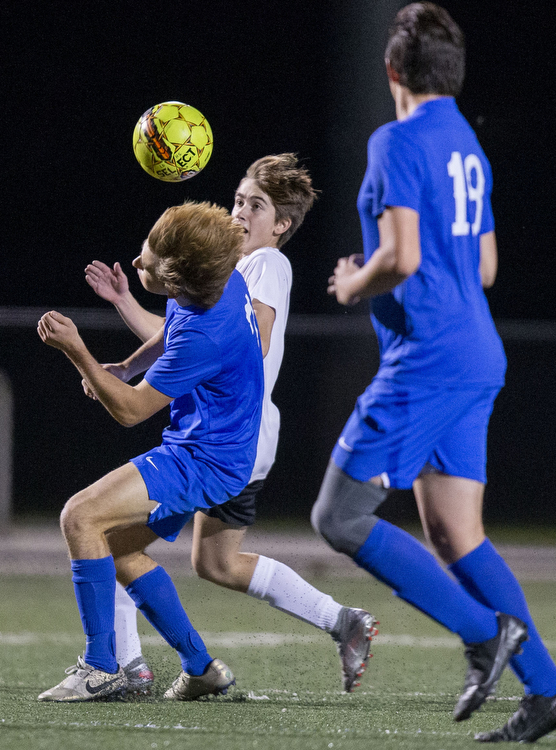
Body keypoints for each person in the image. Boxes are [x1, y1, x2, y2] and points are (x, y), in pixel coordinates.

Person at [310, 3, 556, 742]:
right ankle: (550, 691)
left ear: (392, 70)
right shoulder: (468, 141)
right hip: (475, 351)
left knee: (337, 516)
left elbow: (399, 258)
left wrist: (351, 283)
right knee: (456, 534)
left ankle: (481, 634)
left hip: (427, 358)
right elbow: (487, 266)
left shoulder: (395, 140)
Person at [83, 154, 379, 696]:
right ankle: (343, 621)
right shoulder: (229, 269)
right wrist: (129, 350)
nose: (241, 211)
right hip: (231, 432)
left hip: (228, 437)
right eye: (239, 199)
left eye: (257, 205)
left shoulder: (265, 264)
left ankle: (126, 665)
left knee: (113, 535)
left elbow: (243, 338)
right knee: (215, 562)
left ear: (281, 225)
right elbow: (183, 340)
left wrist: (139, 357)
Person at [35, 201, 263, 702]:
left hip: (204, 459)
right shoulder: (222, 283)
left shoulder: (207, 333)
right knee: (115, 546)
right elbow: (171, 330)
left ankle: (100, 667)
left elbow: (132, 412)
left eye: (149, 260)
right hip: (217, 451)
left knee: (80, 517)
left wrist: (80, 353)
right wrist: (126, 366)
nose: (138, 262)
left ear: (177, 280)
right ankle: (201, 667)